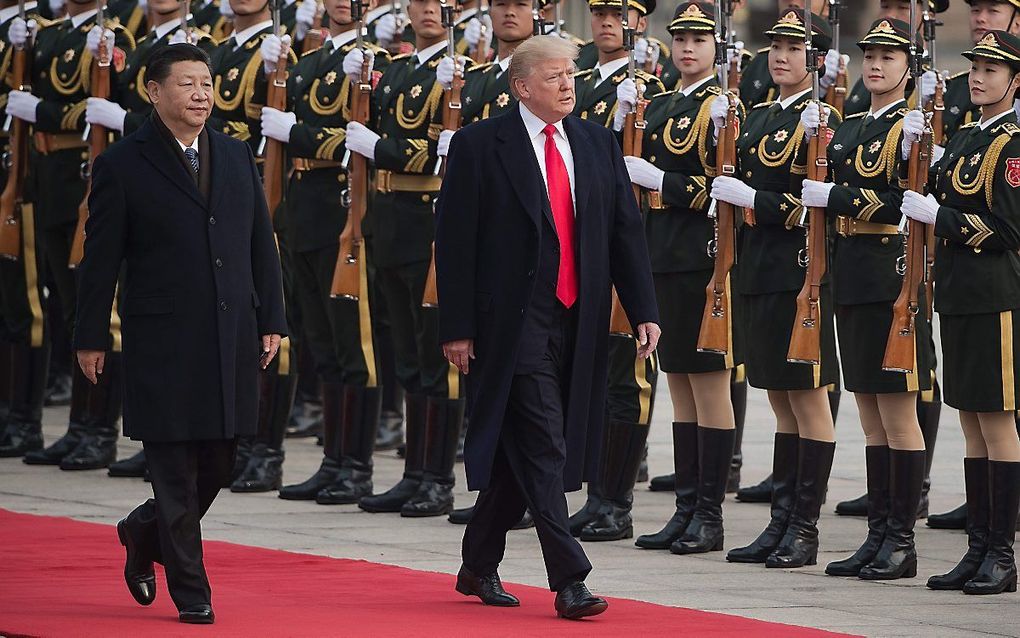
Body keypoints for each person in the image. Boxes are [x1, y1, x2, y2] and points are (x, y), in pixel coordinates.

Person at [435, 34, 659, 619]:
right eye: (555, 76)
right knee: (544, 441)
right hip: (510, 321)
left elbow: (623, 232)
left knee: (523, 452)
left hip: (577, 316)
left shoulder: (596, 141)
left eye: (572, 76)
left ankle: (478, 561)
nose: (568, 86)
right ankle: (569, 578)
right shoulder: (480, 145)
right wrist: (456, 328)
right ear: (521, 86)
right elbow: (454, 242)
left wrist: (643, 311)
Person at [74, 43, 286, 623]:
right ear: (154, 91)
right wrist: (90, 334)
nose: (201, 94)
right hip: (163, 338)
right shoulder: (123, 162)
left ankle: (141, 532)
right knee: (173, 469)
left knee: (220, 462)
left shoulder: (236, 153)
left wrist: (272, 318)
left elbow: (258, 243)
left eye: (207, 83)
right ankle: (192, 590)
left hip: (230, 331)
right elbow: (100, 259)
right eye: (187, 84)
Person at [802, 18, 929, 581]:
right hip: (851, 275)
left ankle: (900, 539)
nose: (876, 65)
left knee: (898, 413)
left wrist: (839, 195)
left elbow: (904, 201)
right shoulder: (851, 125)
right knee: (870, 414)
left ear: (909, 66)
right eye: (870, 56)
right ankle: (878, 533)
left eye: (889, 57)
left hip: (890, 277)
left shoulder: (912, 127)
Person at [712, 8, 840, 570]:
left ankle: (804, 527)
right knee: (781, 400)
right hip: (759, 269)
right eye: (776, 47)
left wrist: (752, 201)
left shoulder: (821, 119)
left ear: (815, 59)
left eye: (795, 47)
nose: (781, 55)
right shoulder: (760, 116)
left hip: (799, 270)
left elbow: (811, 205)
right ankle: (781, 520)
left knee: (808, 400)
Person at [902, 28, 1020, 596]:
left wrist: (940, 217)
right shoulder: (970, 136)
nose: (978, 77)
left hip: (995, 296)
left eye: (992, 70)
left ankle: (1001, 552)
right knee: (972, 422)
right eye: (975, 67)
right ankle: (977, 547)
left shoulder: (1014, 144)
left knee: (997, 423)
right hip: (959, 293)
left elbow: (1010, 229)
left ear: (1015, 81)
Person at [621, 0, 741, 556]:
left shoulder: (724, 107)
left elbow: (723, 191)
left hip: (704, 256)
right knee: (679, 385)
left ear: (718, 46)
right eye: (681, 38)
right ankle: (686, 507)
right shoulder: (663, 102)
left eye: (699, 39)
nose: (688, 48)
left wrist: (663, 183)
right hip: (662, 254)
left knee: (710, 385)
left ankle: (710, 515)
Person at [4, 0, 135, 468]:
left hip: (84, 174)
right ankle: (79, 425)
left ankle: (98, 429)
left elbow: (112, 107)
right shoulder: (53, 33)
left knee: (95, 307)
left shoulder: (113, 37)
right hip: (48, 177)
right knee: (66, 302)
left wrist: (45, 110)